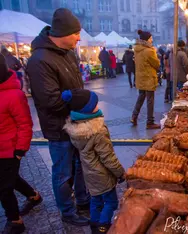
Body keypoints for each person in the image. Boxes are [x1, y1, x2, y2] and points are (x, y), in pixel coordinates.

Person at [26, 8, 91, 226]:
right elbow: (50, 101)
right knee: (63, 172)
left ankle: (83, 201)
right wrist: (82, 98)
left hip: (77, 123)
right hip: (59, 128)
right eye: (76, 33)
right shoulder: (39, 60)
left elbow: (75, 86)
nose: (79, 37)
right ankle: (67, 211)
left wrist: (79, 100)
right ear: (63, 33)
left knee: (81, 166)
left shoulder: (69, 53)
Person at [61, 89, 125, 234]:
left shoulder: (75, 128)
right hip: (103, 175)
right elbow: (108, 157)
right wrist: (120, 173)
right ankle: (103, 227)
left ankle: (94, 225)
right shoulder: (98, 131)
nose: (98, 105)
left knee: (96, 201)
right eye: (95, 104)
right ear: (87, 111)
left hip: (89, 174)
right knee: (111, 202)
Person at [0, 54, 42, 234]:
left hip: (9, 149)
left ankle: (15, 221)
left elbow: (25, 124)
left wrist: (20, 150)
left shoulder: (14, 95)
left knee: (3, 188)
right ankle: (34, 196)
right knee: (11, 180)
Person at [131, 29, 161, 129]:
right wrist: (156, 54)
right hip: (148, 78)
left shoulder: (137, 50)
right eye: (151, 38)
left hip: (140, 78)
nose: (152, 40)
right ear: (147, 40)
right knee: (150, 100)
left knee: (141, 97)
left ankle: (134, 116)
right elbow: (156, 64)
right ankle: (150, 122)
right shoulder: (149, 51)